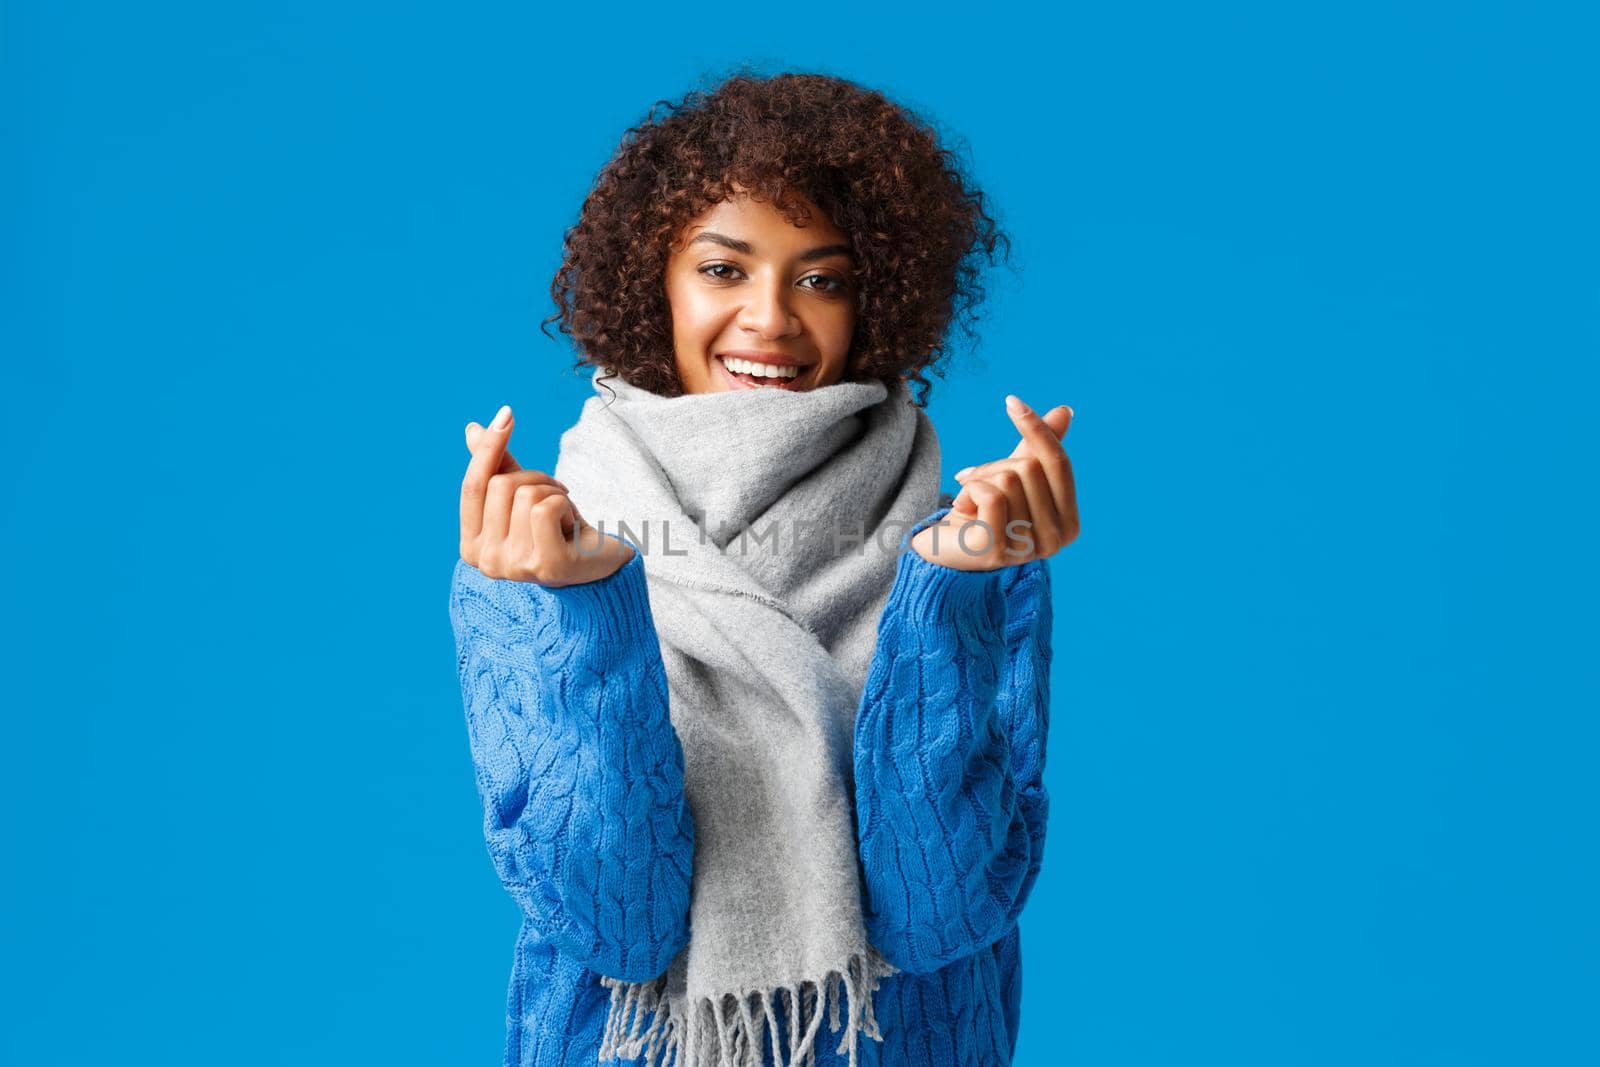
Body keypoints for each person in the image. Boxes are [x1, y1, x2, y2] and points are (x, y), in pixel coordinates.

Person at [449, 69, 1080, 1067]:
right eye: (723, 269)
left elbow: (934, 911)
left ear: (878, 295)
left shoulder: (966, 538)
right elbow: (621, 921)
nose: (771, 317)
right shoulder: (534, 540)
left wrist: (950, 590)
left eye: (821, 277)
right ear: (653, 275)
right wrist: (584, 612)